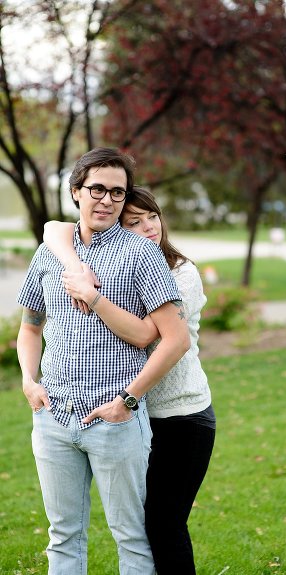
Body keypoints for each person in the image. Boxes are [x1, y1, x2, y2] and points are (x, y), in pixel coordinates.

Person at [16, 147, 191, 574]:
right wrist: (28, 380)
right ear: (76, 191)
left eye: (117, 192)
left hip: (116, 421)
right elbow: (31, 326)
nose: (107, 200)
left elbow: (175, 338)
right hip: (54, 417)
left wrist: (127, 401)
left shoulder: (141, 254)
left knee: (131, 537)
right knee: (63, 537)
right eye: (97, 189)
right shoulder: (50, 253)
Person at [43, 186, 215, 574]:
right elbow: (53, 228)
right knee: (141, 527)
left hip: (181, 416)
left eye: (152, 216)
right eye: (134, 222)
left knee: (164, 525)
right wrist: (75, 266)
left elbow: (150, 335)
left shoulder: (180, 273)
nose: (149, 227)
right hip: (136, 419)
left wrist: (92, 296)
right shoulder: (117, 267)